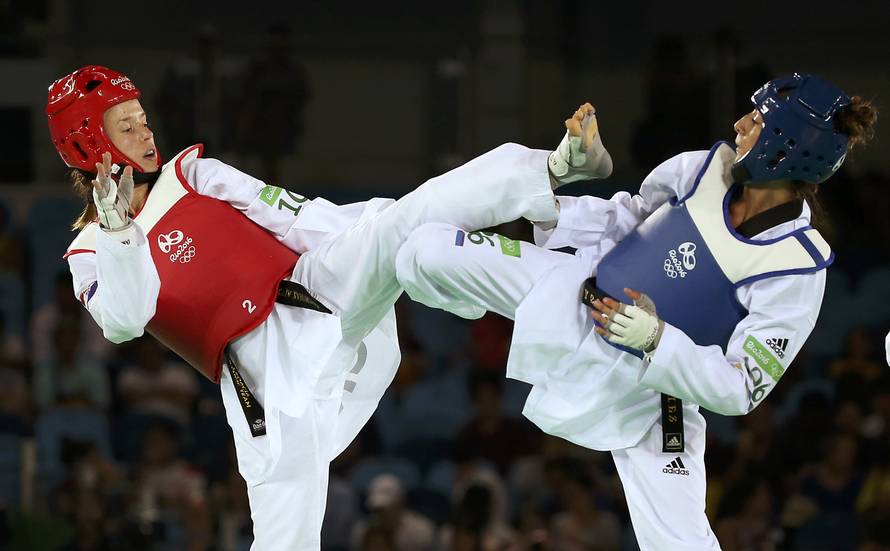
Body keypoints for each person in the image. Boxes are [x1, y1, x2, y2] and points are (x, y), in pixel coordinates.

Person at [47, 65, 569, 549]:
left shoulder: (194, 176)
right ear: (93, 145)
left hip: (308, 293)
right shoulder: (91, 253)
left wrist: (373, 238)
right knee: (285, 539)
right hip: (262, 382)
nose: (146, 133)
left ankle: (546, 172)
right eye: (127, 126)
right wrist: (119, 234)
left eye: (143, 119)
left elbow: (296, 217)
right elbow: (124, 320)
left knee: (403, 225)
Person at [395, 73, 878, 549]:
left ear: (784, 147)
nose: (738, 125)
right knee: (426, 250)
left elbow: (742, 386)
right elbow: (629, 216)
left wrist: (656, 339)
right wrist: (556, 211)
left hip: (655, 398)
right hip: (576, 297)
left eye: (754, 122)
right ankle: (460, 303)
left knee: (681, 543)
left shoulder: (796, 266)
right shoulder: (703, 169)